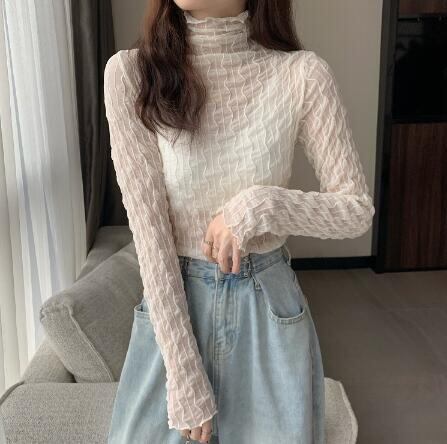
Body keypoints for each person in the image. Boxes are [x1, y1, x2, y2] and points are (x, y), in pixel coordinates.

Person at [103, 1, 375, 443]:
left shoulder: (302, 74)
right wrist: (184, 374)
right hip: (174, 307)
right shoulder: (131, 74)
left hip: (266, 307)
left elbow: (355, 210)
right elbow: (150, 238)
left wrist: (259, 206)